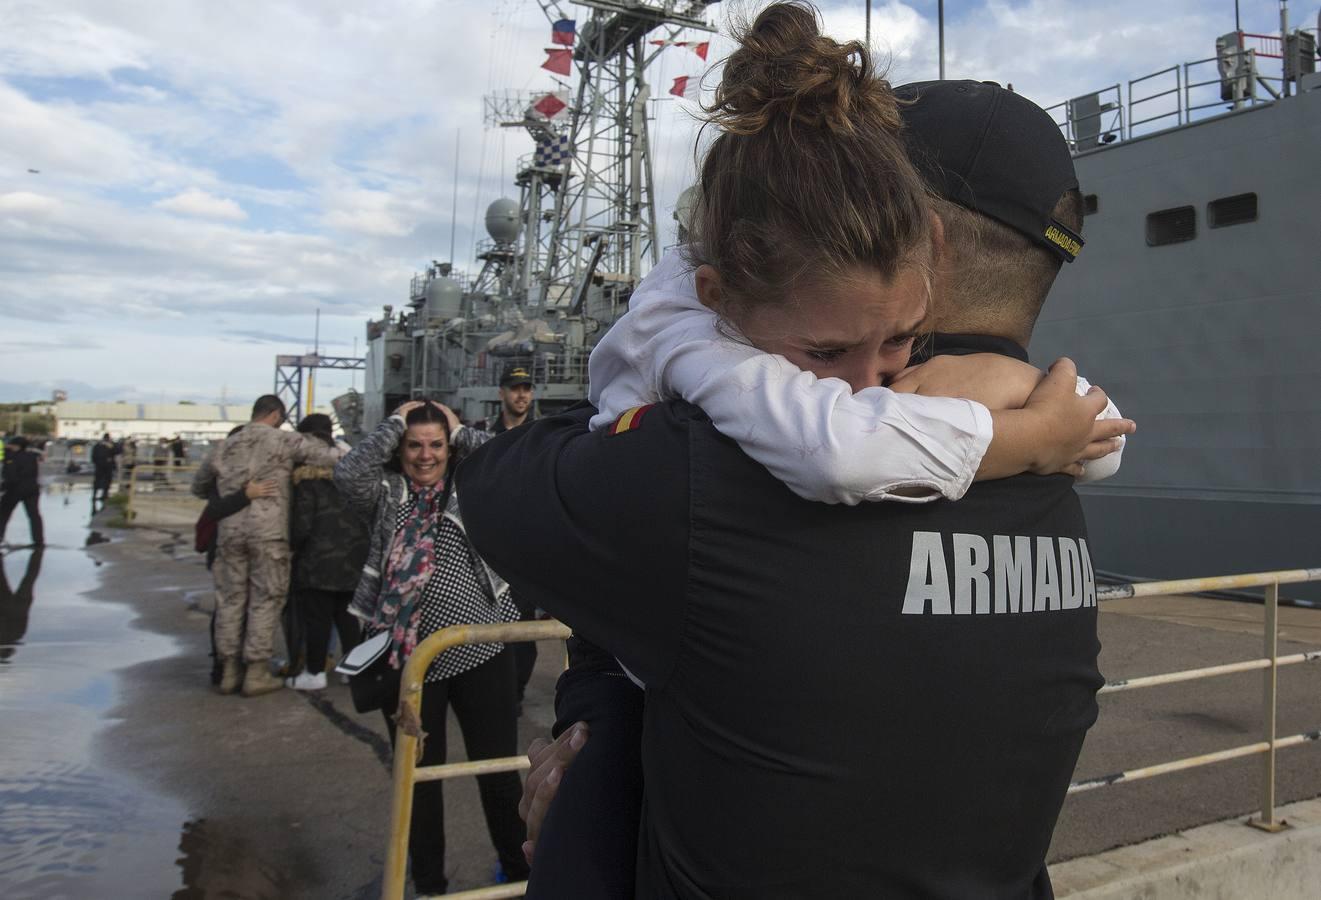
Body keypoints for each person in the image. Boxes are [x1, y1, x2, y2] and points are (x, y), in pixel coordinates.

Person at [458, 5, 1130, 896]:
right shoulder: (1057, 467)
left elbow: (495, 485)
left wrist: (590, 753)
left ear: (908, 229)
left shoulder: (717, 468)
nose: (854, 385)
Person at [334, 400, 531, 896]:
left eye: (435, 445)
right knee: (418, 781)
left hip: (480, 652)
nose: (425, 456)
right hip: (409, 664)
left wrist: (460, 430)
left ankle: (520, 872)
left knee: (499, 773)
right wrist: (396, 421)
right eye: (414, 445)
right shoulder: (387, 492)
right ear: (400, 449)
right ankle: (429, 883)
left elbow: (513, 457)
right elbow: (346, 474)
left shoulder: (469, 485)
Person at [191, 395, 341, 697]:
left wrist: (233, 492)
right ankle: (256, 672)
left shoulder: (225, 446)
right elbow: (331, 457)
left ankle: (230, 671)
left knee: (231, 601)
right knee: (265, 600)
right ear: (275, 415)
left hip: (230, 535)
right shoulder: (283, 441)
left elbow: (199, 487)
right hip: (269, 534)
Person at [285, 414, 368, 690]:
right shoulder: (352, 473)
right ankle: (354, 671)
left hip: (318, 562)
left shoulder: (307, 479)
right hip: (353, 560)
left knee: (317, 619)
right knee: (347, 619)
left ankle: (315, 671)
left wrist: (292, 547)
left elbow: (302, 527)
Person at [488, 364, 542, 706]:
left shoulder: (541, 435)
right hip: (488, 545)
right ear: (501, 393)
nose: (521, 394)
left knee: (523, 632)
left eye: (526, 388)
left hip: (525, 547)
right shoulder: (483, 434)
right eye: (514, 388)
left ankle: (516, 692)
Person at [0, 436, 44, 548]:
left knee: (3, 514)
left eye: (11, 444)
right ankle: (38, 541)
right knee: (34, 515)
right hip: (32, 489)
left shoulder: (11, 458)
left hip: (15, 490)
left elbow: (11, 478)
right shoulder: (31, 457)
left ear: (16, 446)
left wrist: (2, 488)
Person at [91, 433, 118, 506]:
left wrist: (96, 463)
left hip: (99, 465)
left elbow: (93, 456)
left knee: (98, 480)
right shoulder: (110, 445)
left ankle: (95, 495)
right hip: (107, 466)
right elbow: (117, 451)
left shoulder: (97, 445)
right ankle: (104, 495)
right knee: (106, 480)